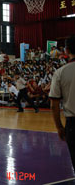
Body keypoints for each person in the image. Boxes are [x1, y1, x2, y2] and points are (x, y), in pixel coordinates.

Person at [49, 36, 75, 171]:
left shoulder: (60, 72)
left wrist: (59, 127)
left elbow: (54, 104)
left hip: (73, 124)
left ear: (66, 50)